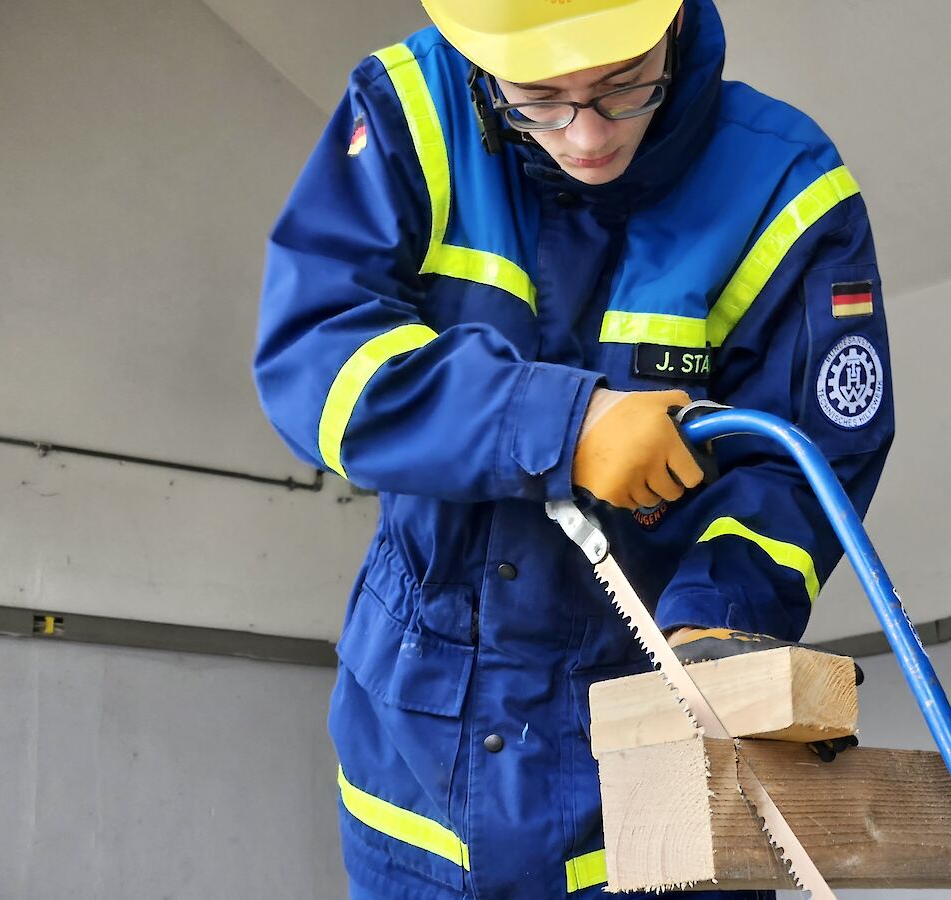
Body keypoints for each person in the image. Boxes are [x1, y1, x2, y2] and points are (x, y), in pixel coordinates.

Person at [254, 0, 894, 896]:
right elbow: (313, 359)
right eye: (539, 99)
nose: (587, 137)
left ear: (671, 26)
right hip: (416, 758)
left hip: (654, 741)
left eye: (624, 88)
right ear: (478, 59)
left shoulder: (786, 184)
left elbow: (810, 460)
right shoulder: (408, 111)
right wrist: (557, 426)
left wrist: (720, 611)